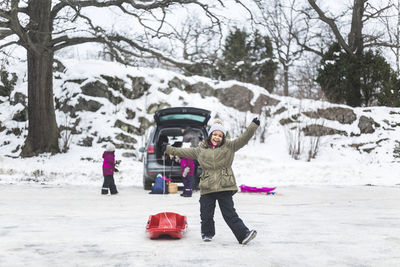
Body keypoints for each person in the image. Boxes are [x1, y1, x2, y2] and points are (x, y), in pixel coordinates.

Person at [162, 117, 260, 245]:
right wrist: (168, 149)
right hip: (207, 185)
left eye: (220, 135)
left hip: (224, 184)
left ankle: (243, 234)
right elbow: (183, 151)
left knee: (229, 214)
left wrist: (253, 126)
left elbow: (244, 138)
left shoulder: (230, 147)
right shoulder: (200, 150)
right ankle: (207, 233)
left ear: (223, 137)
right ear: (210, 136)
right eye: (214, 134)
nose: (217, 137)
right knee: (206, 213)